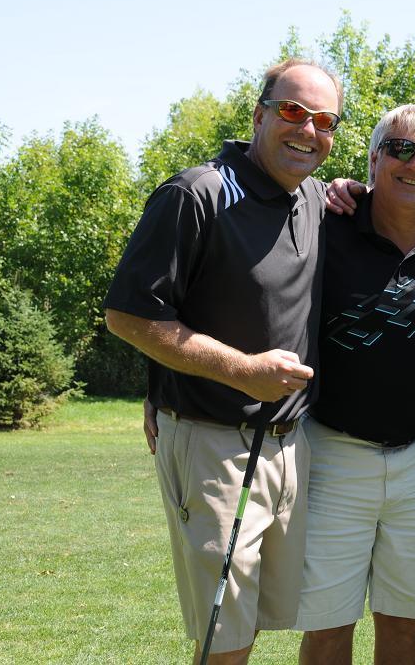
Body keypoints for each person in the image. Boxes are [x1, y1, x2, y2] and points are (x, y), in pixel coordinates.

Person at [104, 58, 342, 665]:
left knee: (249, 623)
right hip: (216, 444)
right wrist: (240, 371)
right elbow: (130, 315)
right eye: (293, 112)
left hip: (291, 446)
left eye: (324, 120)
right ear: (259, 114)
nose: (307, 130)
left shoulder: (313, 197)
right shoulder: (199, 192)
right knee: (224, 637)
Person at [295, 105, 415, 665]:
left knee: (405, 623)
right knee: (328, 625)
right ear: (374, 157)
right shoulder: (323, 227)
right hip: (333, 452)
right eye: (401, 150)